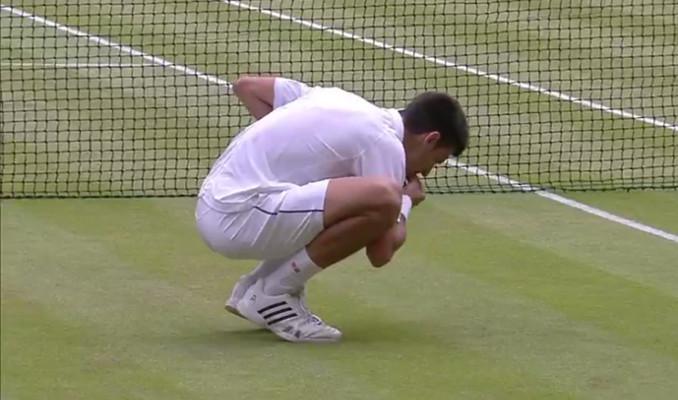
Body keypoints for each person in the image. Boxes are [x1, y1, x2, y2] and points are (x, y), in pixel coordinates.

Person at [195, 76, 469, 343]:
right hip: (236, 218)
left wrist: (285, 154)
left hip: (215, 202)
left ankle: (256, 286)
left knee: (346, 196)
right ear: (430, 139)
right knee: (386, 197)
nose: (428, 171)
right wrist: (406, 201)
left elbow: (249, 88)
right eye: (439, 160)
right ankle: (274, 294)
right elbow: (381, 252)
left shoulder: (336, 98)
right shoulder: (385, 144)